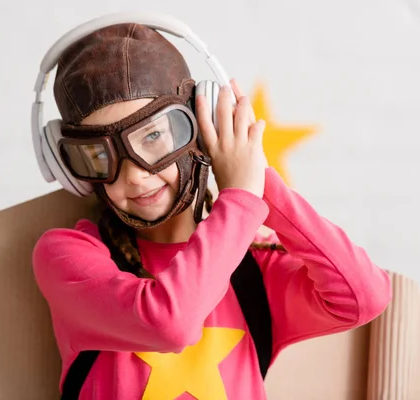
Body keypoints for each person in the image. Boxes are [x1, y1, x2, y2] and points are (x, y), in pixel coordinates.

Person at [32, 21, 392, 400]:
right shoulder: (67, 256)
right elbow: (170, 324)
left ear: (202, 131)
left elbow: (364, 297)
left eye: (153, 135)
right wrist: (240, 200)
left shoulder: (251, 267)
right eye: (99, 155)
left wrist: (256, 182)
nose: (136, 176)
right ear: (73, 171)